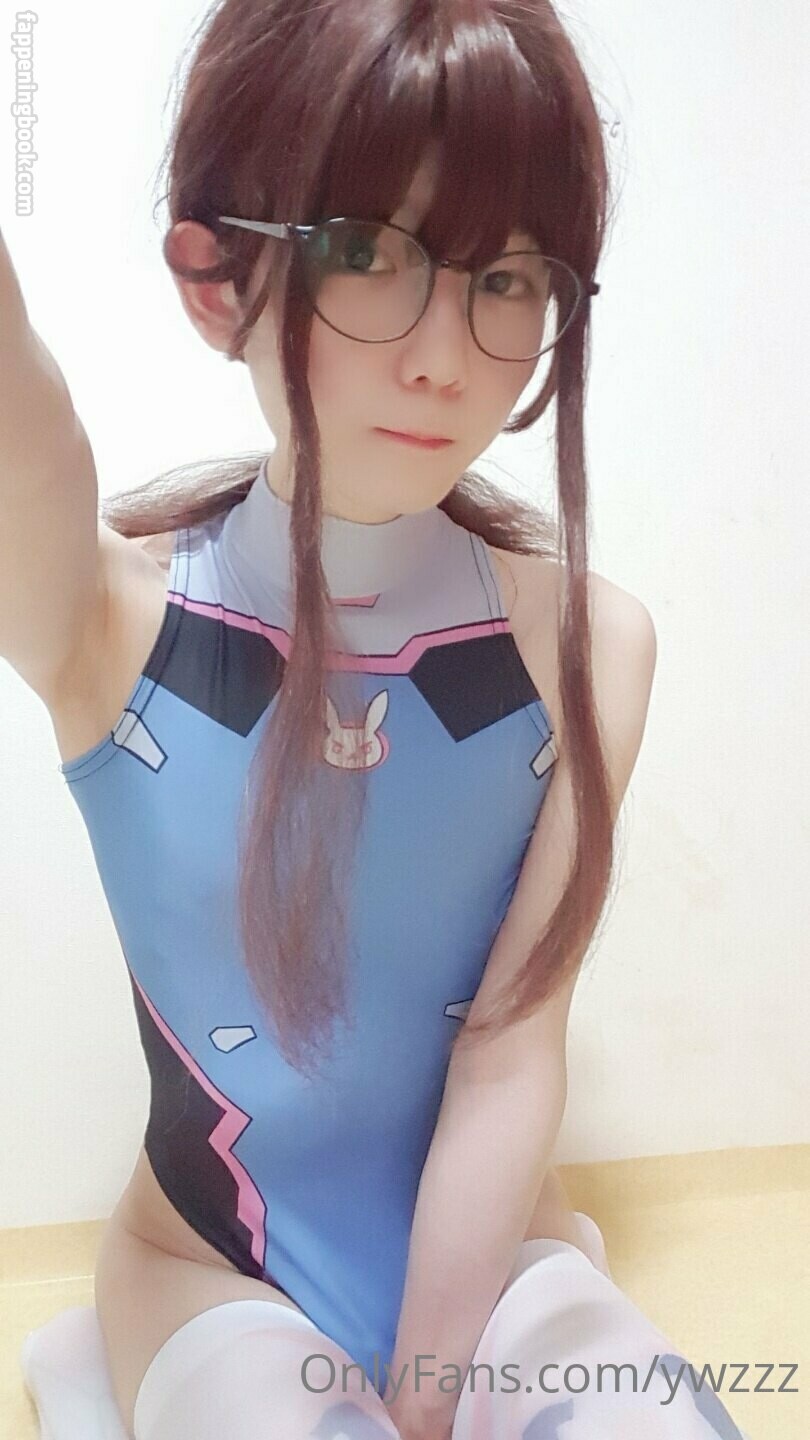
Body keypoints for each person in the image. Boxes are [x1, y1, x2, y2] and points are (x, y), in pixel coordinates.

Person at [4, 2, 749, 1438]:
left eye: (505, 276)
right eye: (365, 251)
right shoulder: (108, 623)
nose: (445, 357)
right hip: (210, 1271)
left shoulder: (588, 648)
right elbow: (17, 433)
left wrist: (428, 1395)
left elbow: (511, 1049)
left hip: (501, 1255)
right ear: (214, 278)